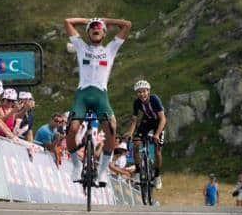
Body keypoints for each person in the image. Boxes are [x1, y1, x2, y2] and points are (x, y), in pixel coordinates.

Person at [63, 16, 132, 184]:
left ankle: (102, 171)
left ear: (104, 32)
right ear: (88, 32)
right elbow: (68, 22)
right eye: (92, 27)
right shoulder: (80, 47)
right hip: (83, 95)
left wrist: (105, 20)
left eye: (99, 27)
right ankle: (76, 166)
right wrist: (89, 20)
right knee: (72, 129)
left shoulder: (110, 49)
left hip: (101, 95)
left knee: (112, 130)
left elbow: (127, 25)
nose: (96, 28)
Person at [127, 80, 167, 190]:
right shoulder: (137, 102)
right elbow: (134, 120)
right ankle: (138, 172)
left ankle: (157, 176)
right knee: (135, 144)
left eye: (144, 91)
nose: (142, 94)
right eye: (139, 92)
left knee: (157, 150)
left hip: (158, 122)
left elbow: (163, 118)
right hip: (147, 121)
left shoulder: (154, 99)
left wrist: (157, 134)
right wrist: (130, 133)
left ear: (148, 91)